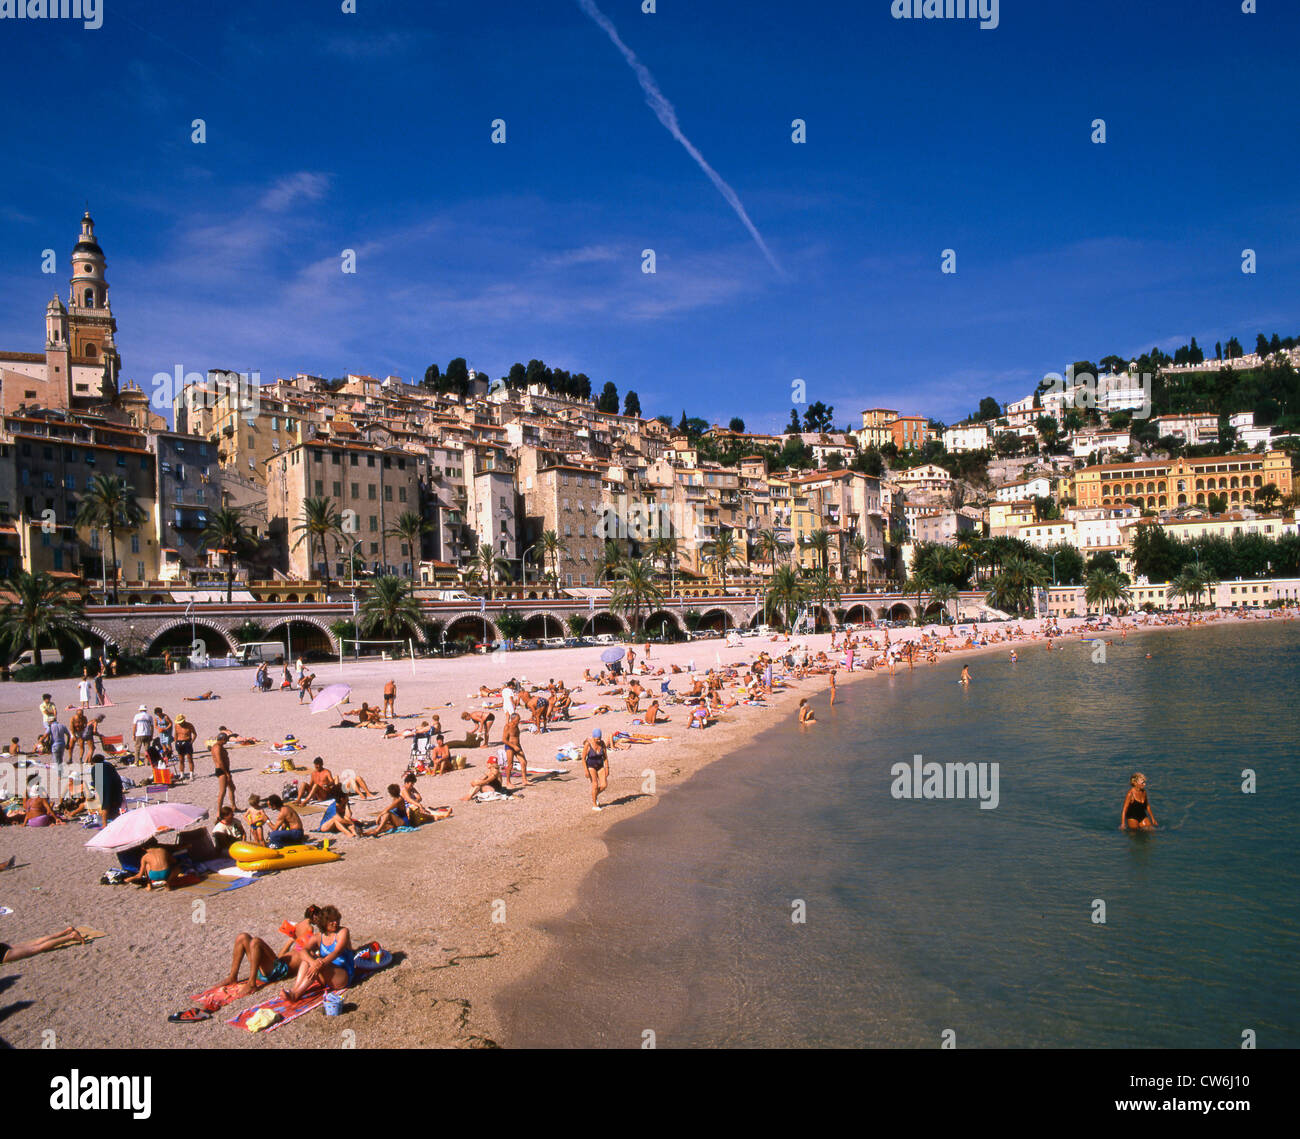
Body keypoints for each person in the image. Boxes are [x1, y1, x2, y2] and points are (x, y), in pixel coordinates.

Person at [283, 906, 354, 1001]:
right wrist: (313, 963)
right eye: (331, 921)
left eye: (336, 920)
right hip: (325, 974)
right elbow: (303, 951)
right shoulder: (318, 937)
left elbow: (337, 952)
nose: (335, 923)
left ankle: (296, 995)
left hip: (342, 975)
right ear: (324, 923)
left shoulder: (343, 932)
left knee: (318, 961)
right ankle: (294, 989)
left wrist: (320, 963)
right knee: (307, 958)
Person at [1, 927, 90, 965]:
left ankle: (71, 936)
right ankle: (66, 931)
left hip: (3, 954)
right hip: (2, 947)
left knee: (37, 948)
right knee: (35, 943)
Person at [581, 729, 609, 811]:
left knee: (604, 785)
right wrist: (586, 770)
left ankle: (595, 795)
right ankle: (594, 805)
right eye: (597, 739)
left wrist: (607, 768)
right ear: (593, 738)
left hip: (600, 766)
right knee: (595, 785)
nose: (599, 740)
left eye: (600, 738)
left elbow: (605, 758)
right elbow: (583, 758)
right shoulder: (588, 744)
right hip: (591, 766)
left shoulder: (602, 744)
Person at [501, 711, 528, 787]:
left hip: (517, 746)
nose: (518, 722)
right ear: (512, 719)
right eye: (517, 720)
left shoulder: (516, 726)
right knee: (510, 765)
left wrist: (518, 747)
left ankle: (524, 780)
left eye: (519, 720)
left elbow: (516, 737)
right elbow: (504, 740)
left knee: (524, 762)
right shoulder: (507, 727)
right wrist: (514, 747)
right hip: (509, 747)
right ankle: (508, 782)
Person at [212, 732, 237, 814]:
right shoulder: (217, 748)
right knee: (222, 791)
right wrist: (227, 773)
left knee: (232, 788)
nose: (227, 741)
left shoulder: (219, 746)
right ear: (222, 739)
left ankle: (233, 806)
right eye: (226, 739)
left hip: (225, 770)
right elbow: (220, 762)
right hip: (222, 770)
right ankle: (218, 811)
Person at [173, 714, 196, 779]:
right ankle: (181, 774)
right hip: (179, 742)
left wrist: (191, 742)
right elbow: (176, 734)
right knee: (181, 759)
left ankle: (191, 774)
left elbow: (195, 734)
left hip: (187, 741)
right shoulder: (176, 726)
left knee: (190, 759)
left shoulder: (189, 725)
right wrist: (175, 742)